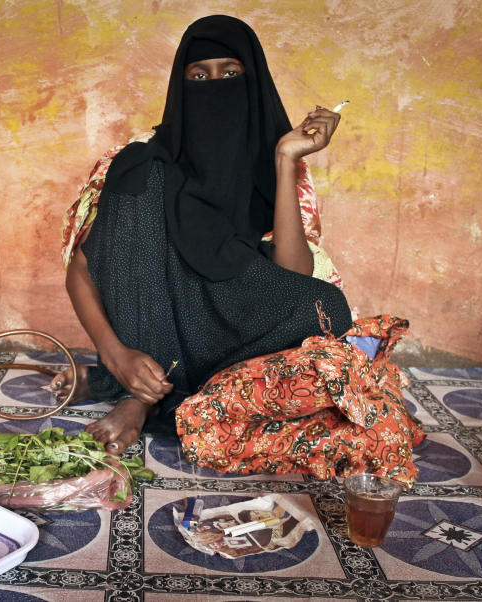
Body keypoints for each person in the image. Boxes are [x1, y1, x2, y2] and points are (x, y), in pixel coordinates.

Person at [51, 15, 353, 454]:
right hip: (155, 318)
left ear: (252, 81)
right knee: (147, 179)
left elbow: (293, 275)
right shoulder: (142, 162)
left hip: (230, 313)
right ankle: (139, 391)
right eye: (199, 76)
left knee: (327, 308)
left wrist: (286, 158)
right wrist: (116, 354)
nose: (215, 85)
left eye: (230, 73)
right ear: (181, 85)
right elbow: (83, 270)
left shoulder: (275, 154)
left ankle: (146, 395)